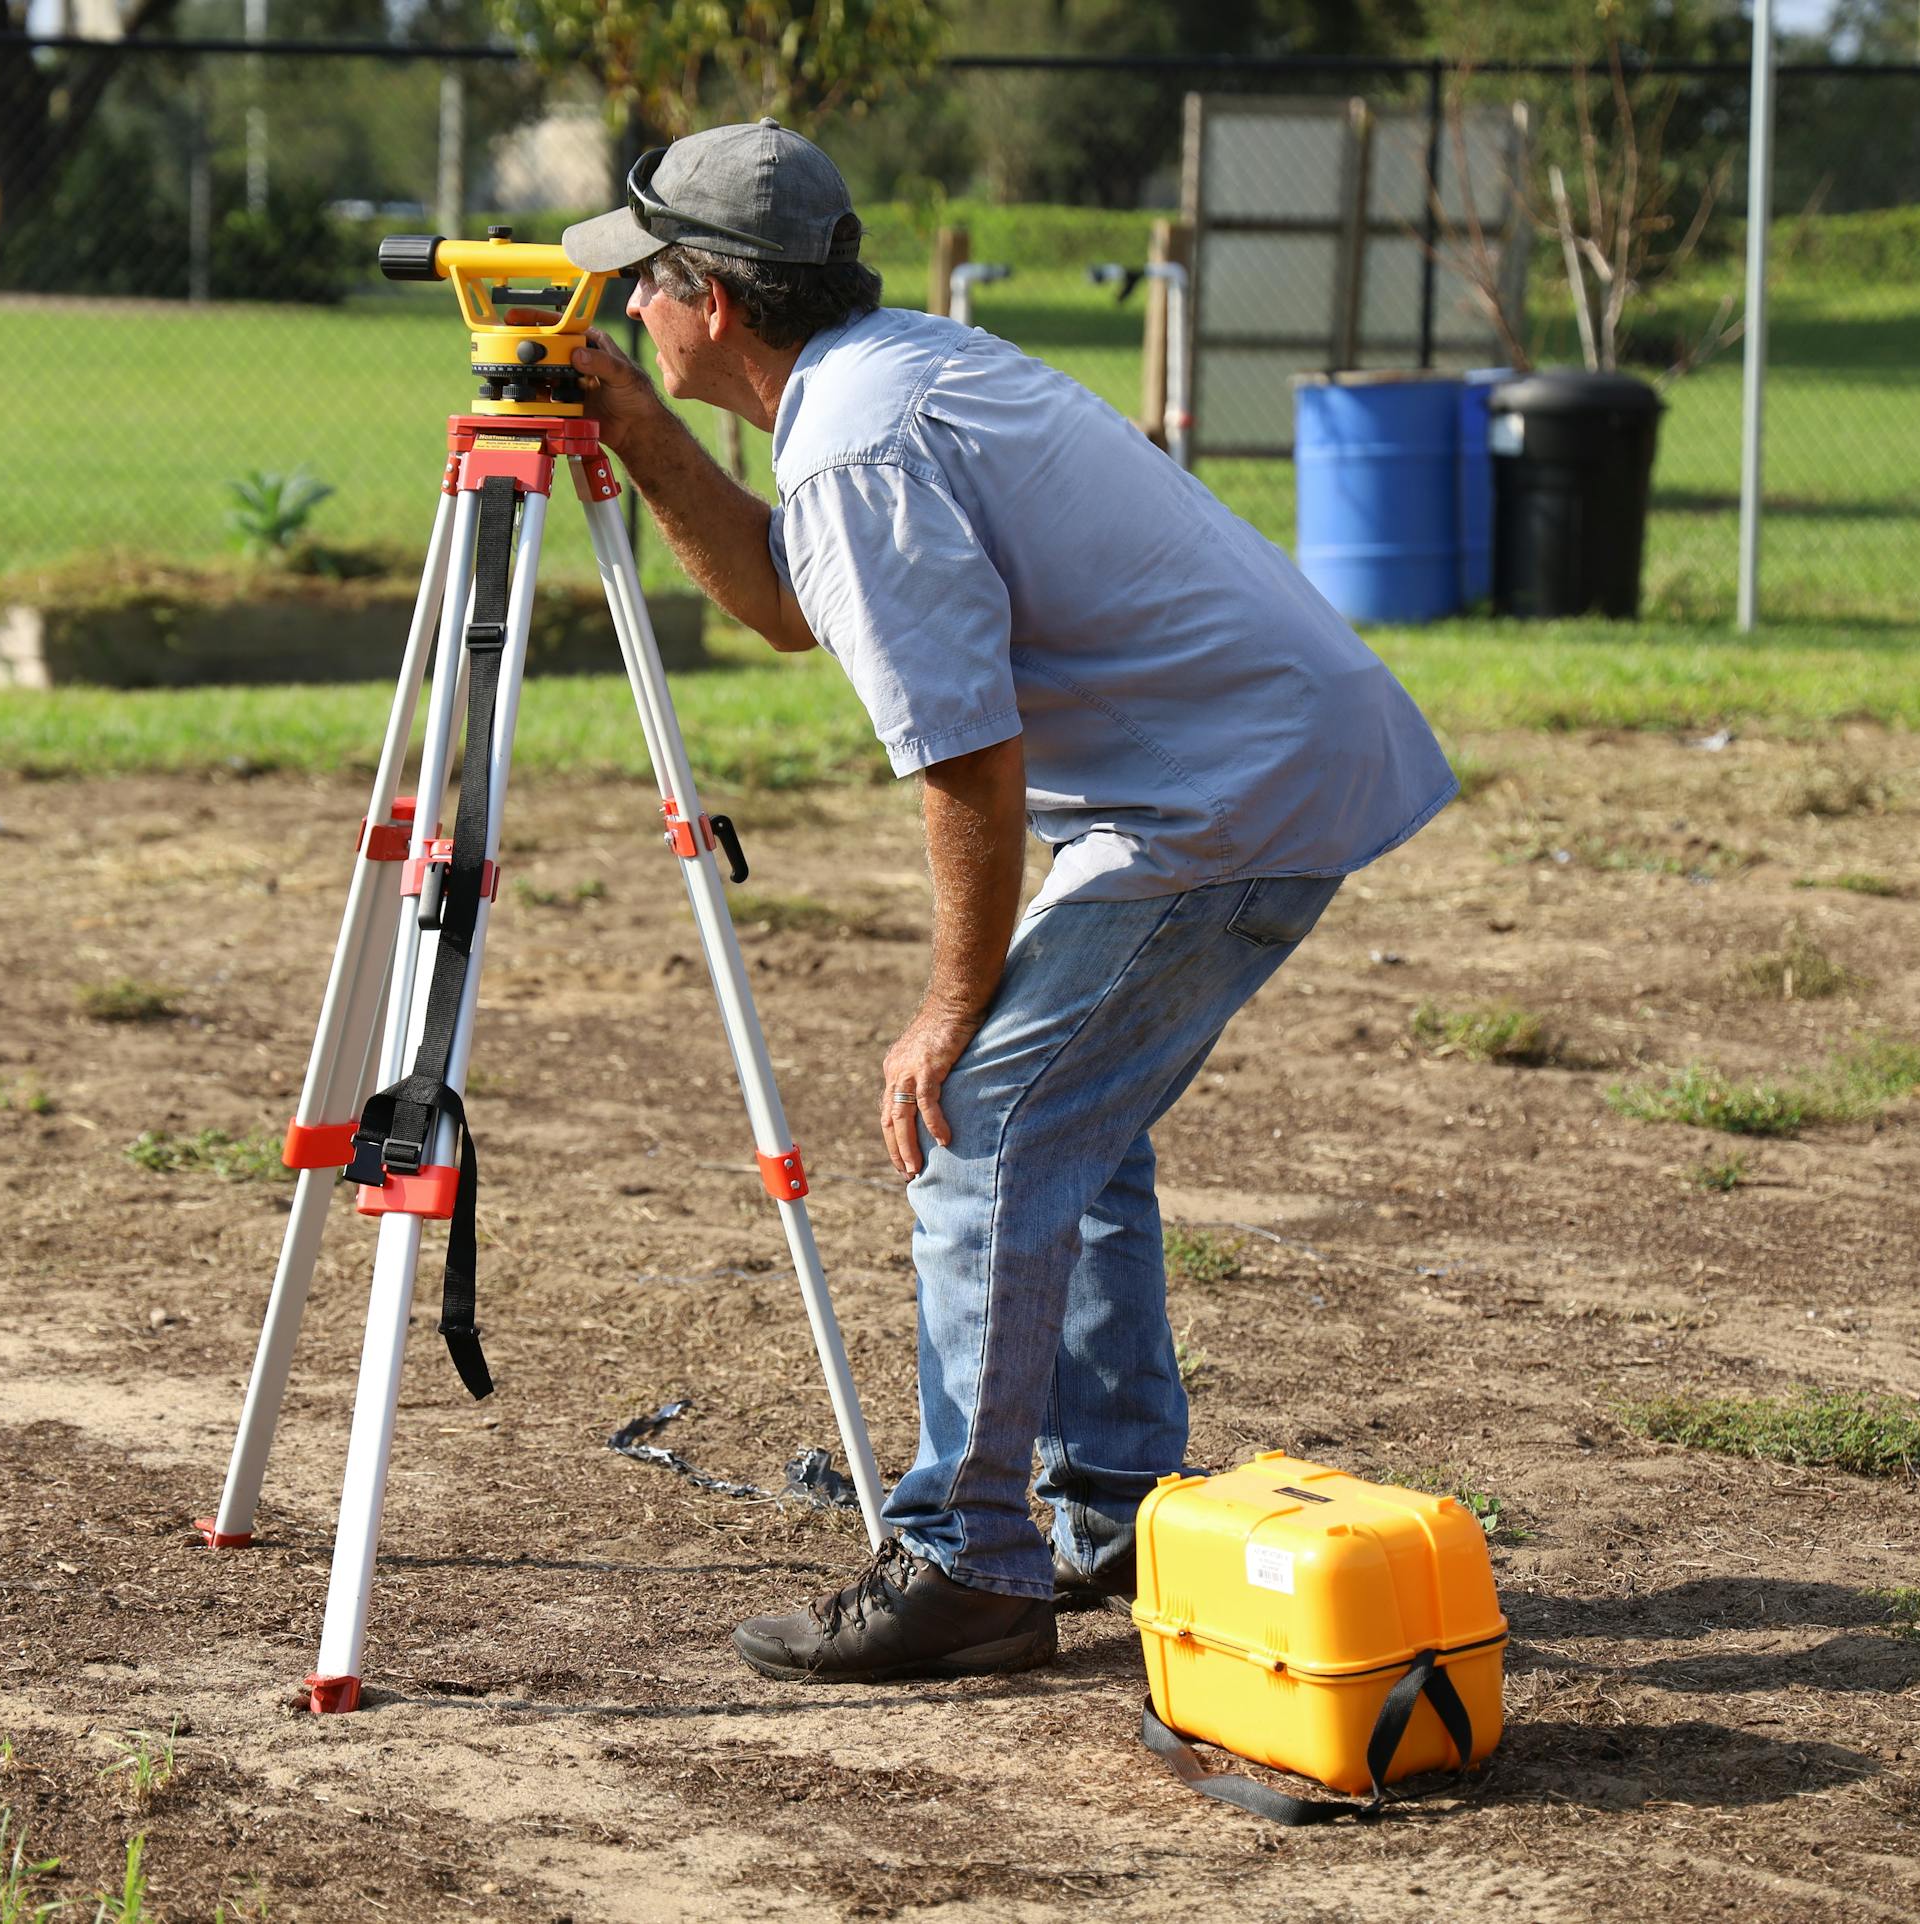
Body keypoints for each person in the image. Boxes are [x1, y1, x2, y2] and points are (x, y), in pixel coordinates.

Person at [561, 121, 1456, 1684]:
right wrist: (633, 427)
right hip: (1243, 770)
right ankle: (1109, 1504)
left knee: (980, 1118)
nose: (625, 307)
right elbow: (788, 605)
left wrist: (943, 1011)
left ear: (717, 295)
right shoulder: (877, 376)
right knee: (1066, 1131)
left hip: (1221, 801)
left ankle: (968, 1561)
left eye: (643, 287)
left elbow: (967, 759)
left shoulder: (858, 442)